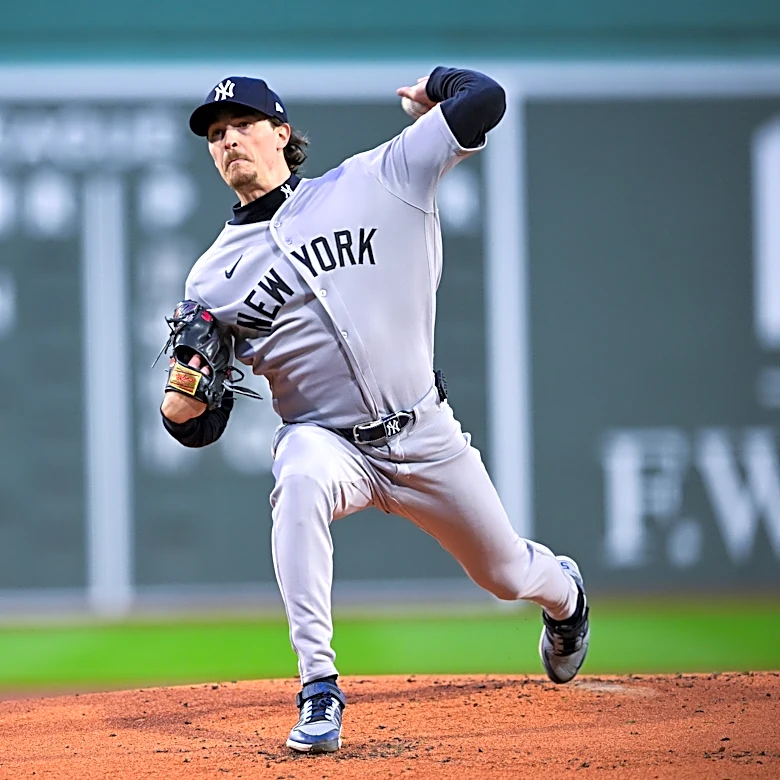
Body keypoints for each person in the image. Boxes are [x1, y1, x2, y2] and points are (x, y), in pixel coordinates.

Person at [160, 68, 590, 754]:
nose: (229, 140)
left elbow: (487, 99)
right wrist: (182, 407)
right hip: (327, 443)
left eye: (243, 124)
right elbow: (197, 423)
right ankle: (318, 688)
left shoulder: (377, 178)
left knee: (505, 573)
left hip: (424, 433)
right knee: (298, 476)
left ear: (282, 133)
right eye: (215, 134)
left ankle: (565, 598)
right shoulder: (211, 276)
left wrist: (437, 89)